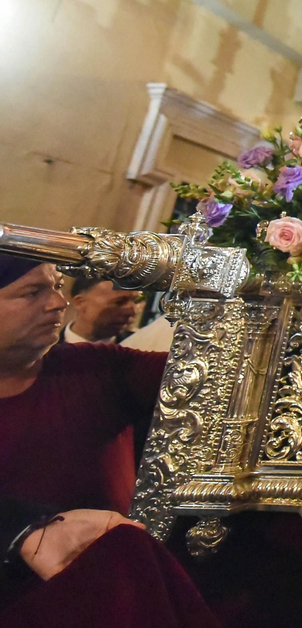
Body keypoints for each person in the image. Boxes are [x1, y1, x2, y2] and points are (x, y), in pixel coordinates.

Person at [0, 254, 215, 626]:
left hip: (106, 597)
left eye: (55, 287)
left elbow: (212, 378)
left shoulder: (94, 367)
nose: (57, 303)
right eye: (31, 292)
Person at [60, 278, 141, 345]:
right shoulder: (49, 351)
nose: (132, 311)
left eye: (136, 301)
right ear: (80, 302)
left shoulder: (141, 347)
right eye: (119, 302)